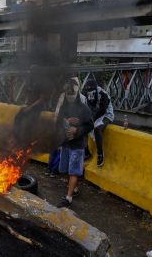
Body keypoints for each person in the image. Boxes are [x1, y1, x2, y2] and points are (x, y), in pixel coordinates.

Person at [56, 78, 93, 208]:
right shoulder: (63, 108)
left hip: (77, 145)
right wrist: (67, 121)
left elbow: (90, 125)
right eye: (68, 94)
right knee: (66, 169)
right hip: (66, 143)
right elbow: (58, 122)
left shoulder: (84, 109)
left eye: (72, 94)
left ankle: (69, 198)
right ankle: (74, 189)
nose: (70, 96)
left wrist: (77, 129)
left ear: (77, 94)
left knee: (74, 171)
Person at [82, 78, 114, 167]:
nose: (89, 92)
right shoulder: (87, 93)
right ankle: (86, 151)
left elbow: (103, 109)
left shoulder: (103, 94)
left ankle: (100, 153)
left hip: (106, 114)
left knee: (97, 129)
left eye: (91, 90)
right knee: (83, 127)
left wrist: (92, 119)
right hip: (94, 114)